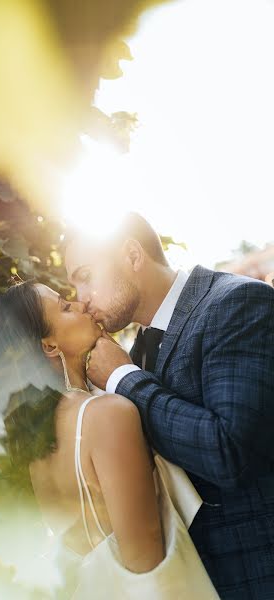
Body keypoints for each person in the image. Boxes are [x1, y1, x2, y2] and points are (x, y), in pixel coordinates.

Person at [65, 212, 274, 600]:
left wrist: (122, 379)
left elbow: (230, 452)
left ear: (132, 255)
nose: (82, 299)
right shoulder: (137, 349)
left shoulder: (237, 303)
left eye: (85, 275)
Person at [0, 280, 218, 599]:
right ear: (49, 346)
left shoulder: (37, 443)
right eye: (65, 306)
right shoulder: (106, 415)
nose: (80, 304)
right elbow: (148, 566)